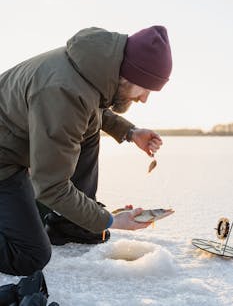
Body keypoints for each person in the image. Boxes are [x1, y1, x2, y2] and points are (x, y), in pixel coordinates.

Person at [0, 25, 172, 276]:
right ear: (128, 74)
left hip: (13, 149)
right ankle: (69, 218)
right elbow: (51, 186)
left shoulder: (91, 69)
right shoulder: (62, 91)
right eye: (145, 88)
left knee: (89, 130)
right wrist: (109, 220)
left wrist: (130, 132)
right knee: (30, 255)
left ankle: (69, 223)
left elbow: (91, 110)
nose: (144, 98)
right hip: (4, 164)